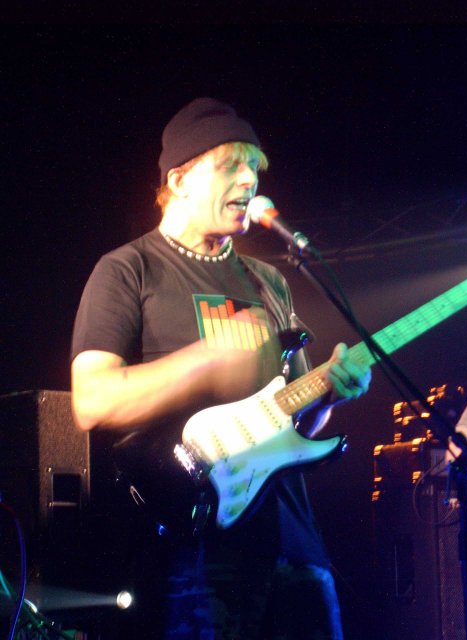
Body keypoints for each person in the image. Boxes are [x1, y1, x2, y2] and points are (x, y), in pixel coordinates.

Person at [70, 97, 371, 640]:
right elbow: (92, 402)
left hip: (295, 547)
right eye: (231, 165)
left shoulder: (267, 281)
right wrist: (205, 361)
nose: (249, 179)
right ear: (180, 180)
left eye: (254, 167)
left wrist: (328, 392)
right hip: (197, 551)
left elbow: (297, 418)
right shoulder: (127, 270)